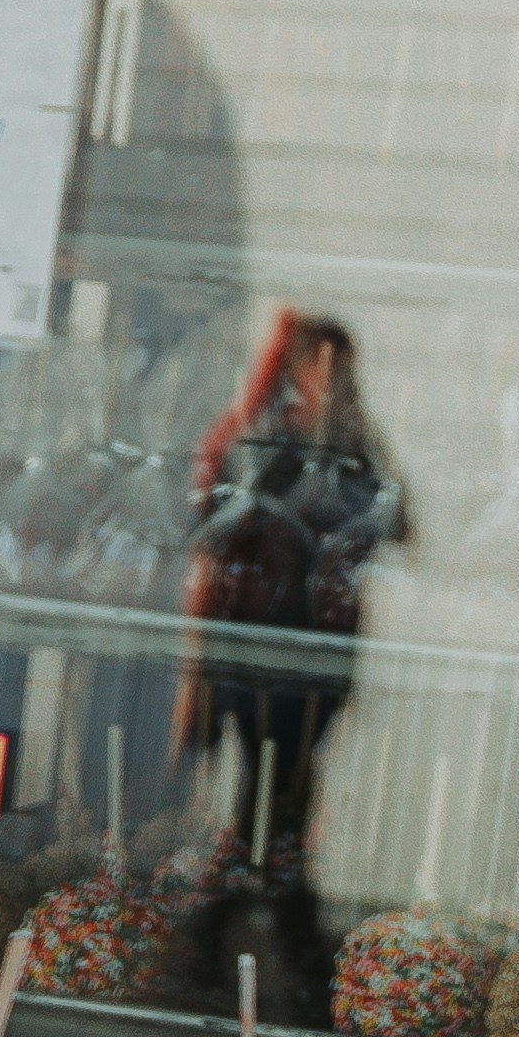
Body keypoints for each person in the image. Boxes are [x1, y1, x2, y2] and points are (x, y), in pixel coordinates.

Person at [177, 306, 400, 881]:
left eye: (341, 369)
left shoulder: (357, 444)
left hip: (320, 639)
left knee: (295, 769)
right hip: (252, 636)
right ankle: (236, 877)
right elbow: (206, 517)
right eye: (322, 367)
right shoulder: (259, 433)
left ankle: (275, 872)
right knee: (244, 765)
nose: (332, 381)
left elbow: (396, 523)